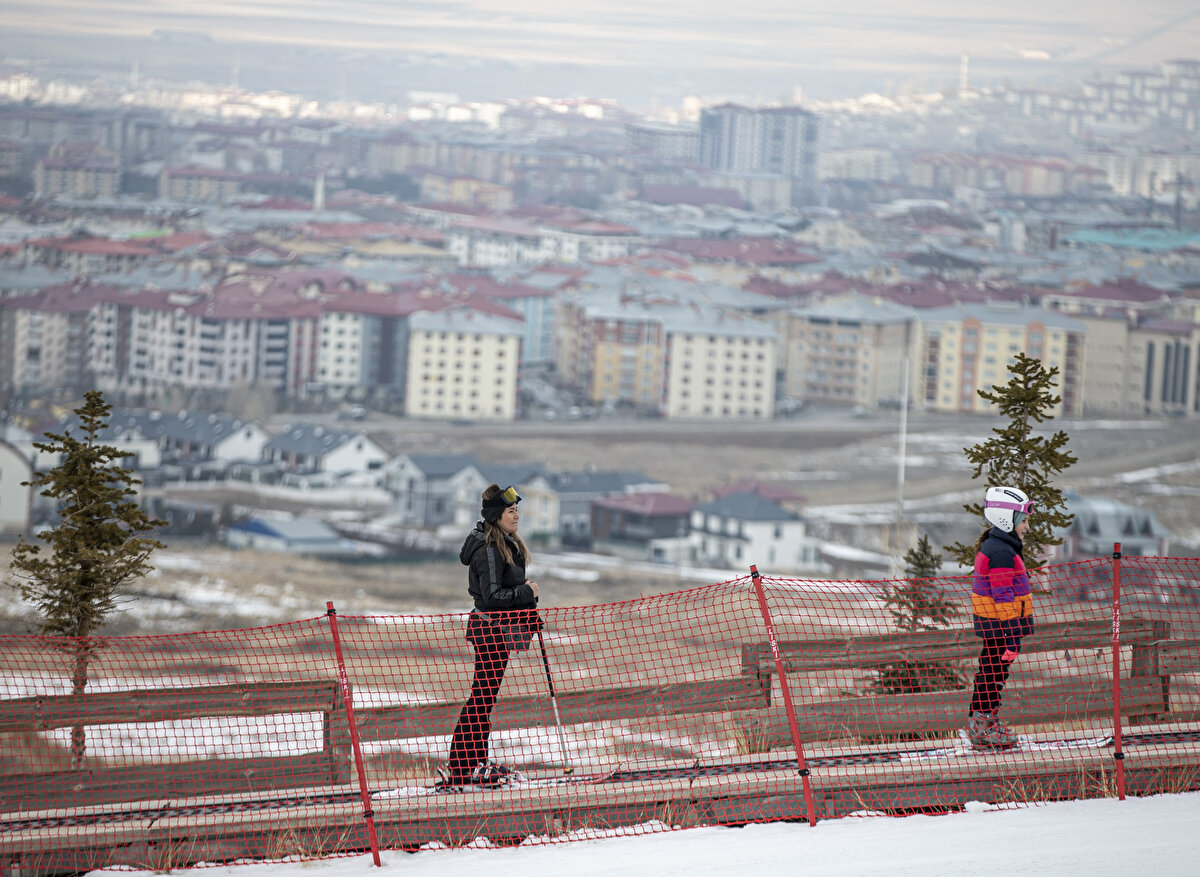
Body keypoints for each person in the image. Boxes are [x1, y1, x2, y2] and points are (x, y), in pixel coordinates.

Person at [441, 483, 541, 787]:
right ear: (497, 516)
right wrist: (528, 591)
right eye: (511, 512)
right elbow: (493, 595)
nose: (517, 516)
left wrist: (527, 609)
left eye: (516, 511)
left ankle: (469, 763)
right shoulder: (489, 550)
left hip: (497, 631)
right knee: (482, 698)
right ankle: (467, 763)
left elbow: (501, 595)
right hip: (491, 632)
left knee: (483, 697)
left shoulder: (502, 543)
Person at [966, 485, 1035, 749]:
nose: (1026, 527)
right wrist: (1011, 635)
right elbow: (1003, 597)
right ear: (1007, 518)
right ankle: (983, 730)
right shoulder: (1002, 552)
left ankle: (981, 725)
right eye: (1024, 520)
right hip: (1001, 628)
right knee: (993, 675)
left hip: (997, 627)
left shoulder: (1000, 546)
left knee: (991, 673)